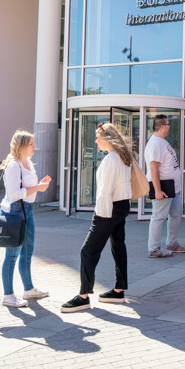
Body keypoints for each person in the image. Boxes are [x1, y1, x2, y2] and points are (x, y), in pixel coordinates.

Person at [61, 123, 133, 312]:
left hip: (109, 208)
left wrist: (99, 215)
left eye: (98, 137)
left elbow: (105, 191)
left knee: (88, 250)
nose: (95, 141)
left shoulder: (111, 159)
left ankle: (83, 296)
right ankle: (119, 290)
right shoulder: (124, 157)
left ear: (107, 139)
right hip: (122, 205)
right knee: (118, 246)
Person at [0, 130, 52, 308]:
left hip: (27, 209)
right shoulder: (14, 165)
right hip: (14, 211)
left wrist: (40, 185)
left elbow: (28, 187)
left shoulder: (28, 162)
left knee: (28, 251)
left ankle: (28, 289)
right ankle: (8, 296)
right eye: (31, 144)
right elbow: (14, 194)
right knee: (12, 255)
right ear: (21, 145)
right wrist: (37, 188)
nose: (35, 147)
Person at [145, 114, 185, 258]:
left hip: (172, 188)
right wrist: (158, 190)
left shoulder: (162, 142)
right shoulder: (155, 143)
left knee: (176, 213)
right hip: (163, 188)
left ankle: (172, 244)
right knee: (158, 217)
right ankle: (153, 249)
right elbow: (153, 168)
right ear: (163, 126)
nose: (170, 126)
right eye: (168, 124)